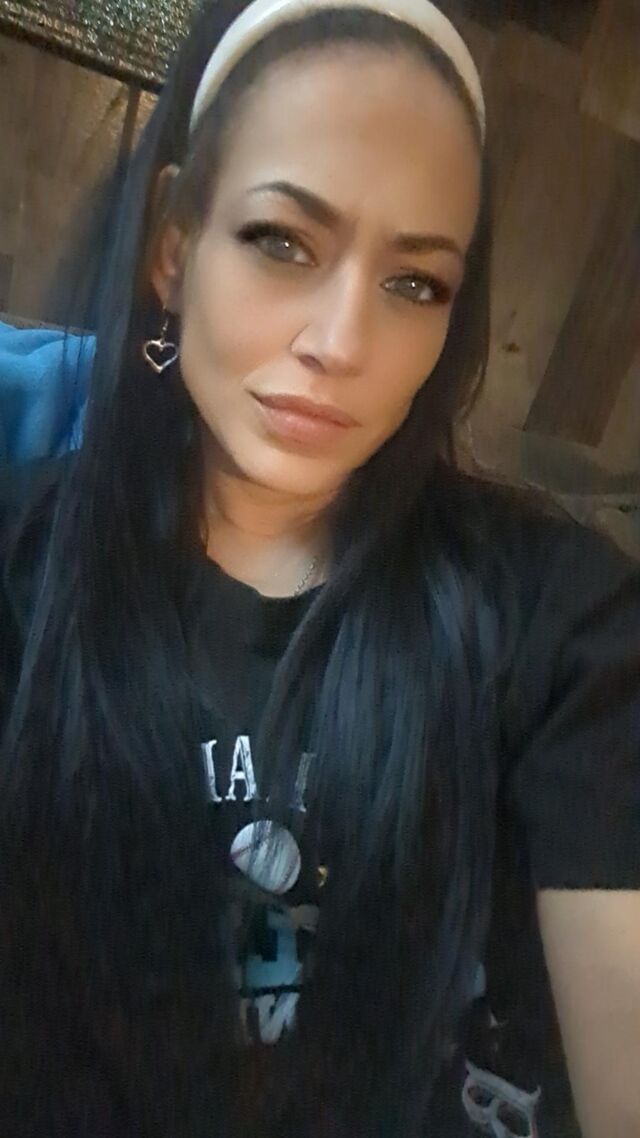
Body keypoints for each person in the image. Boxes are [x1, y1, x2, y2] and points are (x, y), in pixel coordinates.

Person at [0, 1, 638, 1136]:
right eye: (282, 241)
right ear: (172, 245)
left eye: (415, 283)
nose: (341, 344)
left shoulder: (559, 625)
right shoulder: (24, 573)